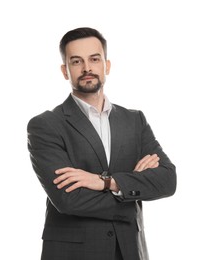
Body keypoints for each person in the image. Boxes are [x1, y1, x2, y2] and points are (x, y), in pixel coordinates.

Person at [27, 27, 177, 260]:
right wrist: (130, 191)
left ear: (106, 66)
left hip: (129, 251)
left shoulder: (134, 120)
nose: (87, 68)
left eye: (94, 59)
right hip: (73, 254)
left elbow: (168, 180)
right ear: (65, 71)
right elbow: (68, 200)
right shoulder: (46, 125)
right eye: (76, 61)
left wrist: (106, 182)